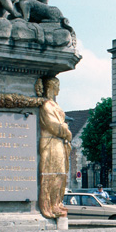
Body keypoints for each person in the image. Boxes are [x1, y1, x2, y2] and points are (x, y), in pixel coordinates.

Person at [37, 77, 72, 219]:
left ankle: (56, 202)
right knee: (51, 174)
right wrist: (66, 131)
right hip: (50, 142)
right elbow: (53, 125)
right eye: (57, 85)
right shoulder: (46, 105)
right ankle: (49, 204)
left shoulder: (54, 105)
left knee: (60, 173)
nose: (59, 89)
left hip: (59, 143)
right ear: (51, 87)